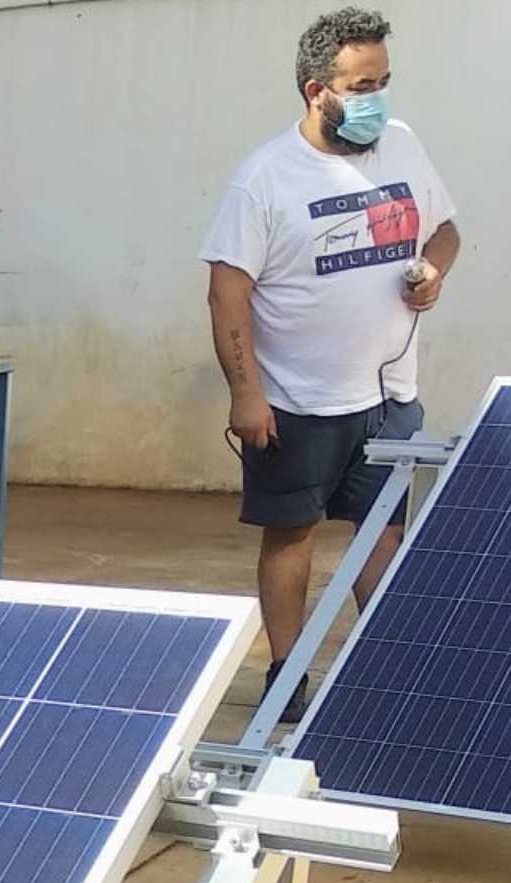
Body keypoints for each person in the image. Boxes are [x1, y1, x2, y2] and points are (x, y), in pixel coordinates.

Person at [201, 6, 461, 722]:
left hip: (390, 394)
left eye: (384, 81)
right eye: (361, 84)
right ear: (317, 90)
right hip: (297, 401)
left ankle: (383, 668)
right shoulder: (263, 179)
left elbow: (445, 231)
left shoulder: (403, 147)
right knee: (293, 535)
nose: (377, 98)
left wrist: (433, 272)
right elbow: (228, 291)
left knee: (382, 531)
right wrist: (245, 393)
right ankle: (288, 676)